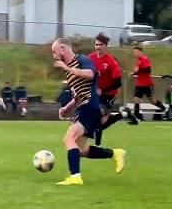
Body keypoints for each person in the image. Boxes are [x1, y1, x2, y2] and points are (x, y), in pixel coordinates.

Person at [51, 38, 126, 186]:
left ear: (63, 49)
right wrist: (67, 107)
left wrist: (68, 69)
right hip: (85, 107)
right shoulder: (70, 69)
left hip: (89, 107)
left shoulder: (81, 59)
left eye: (54, 52)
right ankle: (115, 153)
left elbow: (91, 74)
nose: (53, 56)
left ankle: (75, 177)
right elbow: (79, 94)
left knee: (69, 138)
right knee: (82, 150)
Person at [88, 32, 138, 146]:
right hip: (95, 93)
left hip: (109, 94)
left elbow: (117, 83)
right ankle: (123, 114)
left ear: (105, 46)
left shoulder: (111, 62)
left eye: (100, 45)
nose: (98, 47)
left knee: (98, 116)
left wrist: (102, 91)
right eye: (96, 44)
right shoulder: (90, 58)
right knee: (97, 120)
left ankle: (97, 144)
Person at [129, 46, 168, 121]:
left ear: (141, 52)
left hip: (147, 84)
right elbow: (139, 72)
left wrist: (138, 70)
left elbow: (148, 70)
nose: (135, 53)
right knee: (136, 100)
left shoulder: (145, 59)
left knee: (153, 101)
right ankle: (136, 117)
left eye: (136, 52)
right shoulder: (138, 61)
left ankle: (164, 109)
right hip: (139, 84)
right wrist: (133, 73)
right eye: (134, 52)